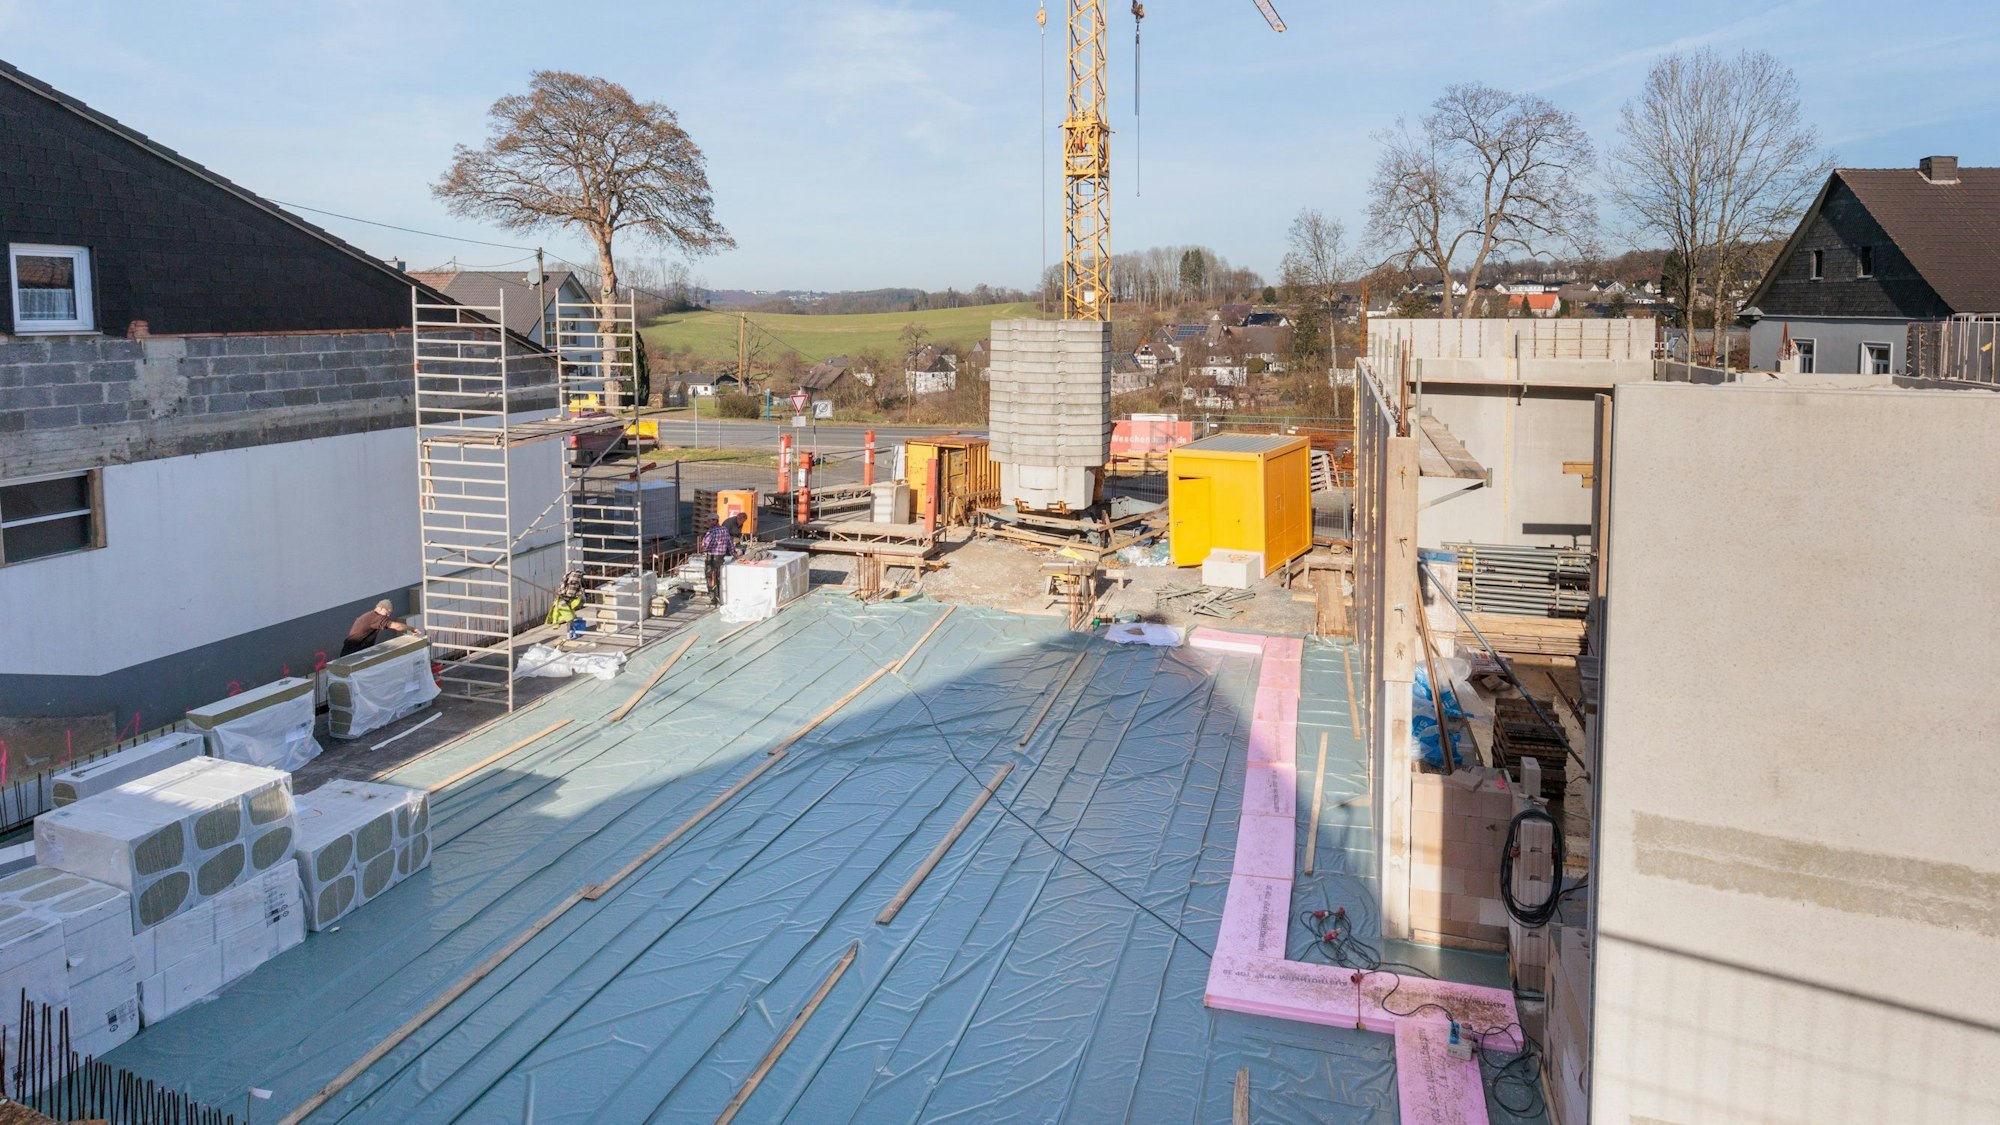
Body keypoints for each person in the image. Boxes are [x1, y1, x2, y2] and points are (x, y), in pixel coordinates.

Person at [341, 599, 421, 656]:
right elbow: (397, 626)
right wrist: (412, 629)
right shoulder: (376, 617)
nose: (388, 615)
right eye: (388, 612)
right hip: (354, 651)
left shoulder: (370, 615)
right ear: (381, 608)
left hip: (353, 649)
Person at [700, 517, 737, 607]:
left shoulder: (711, 531)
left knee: (710, 578)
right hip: (721, 557)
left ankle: (713, 600)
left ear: (715, 521)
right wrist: (734, 553)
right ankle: (721, 598)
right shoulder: (724, 529)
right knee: (718, 577)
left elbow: (707, 545)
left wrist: (704, 548)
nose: (708, 522)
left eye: (709, 520)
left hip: (712, 557)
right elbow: (730, 542)